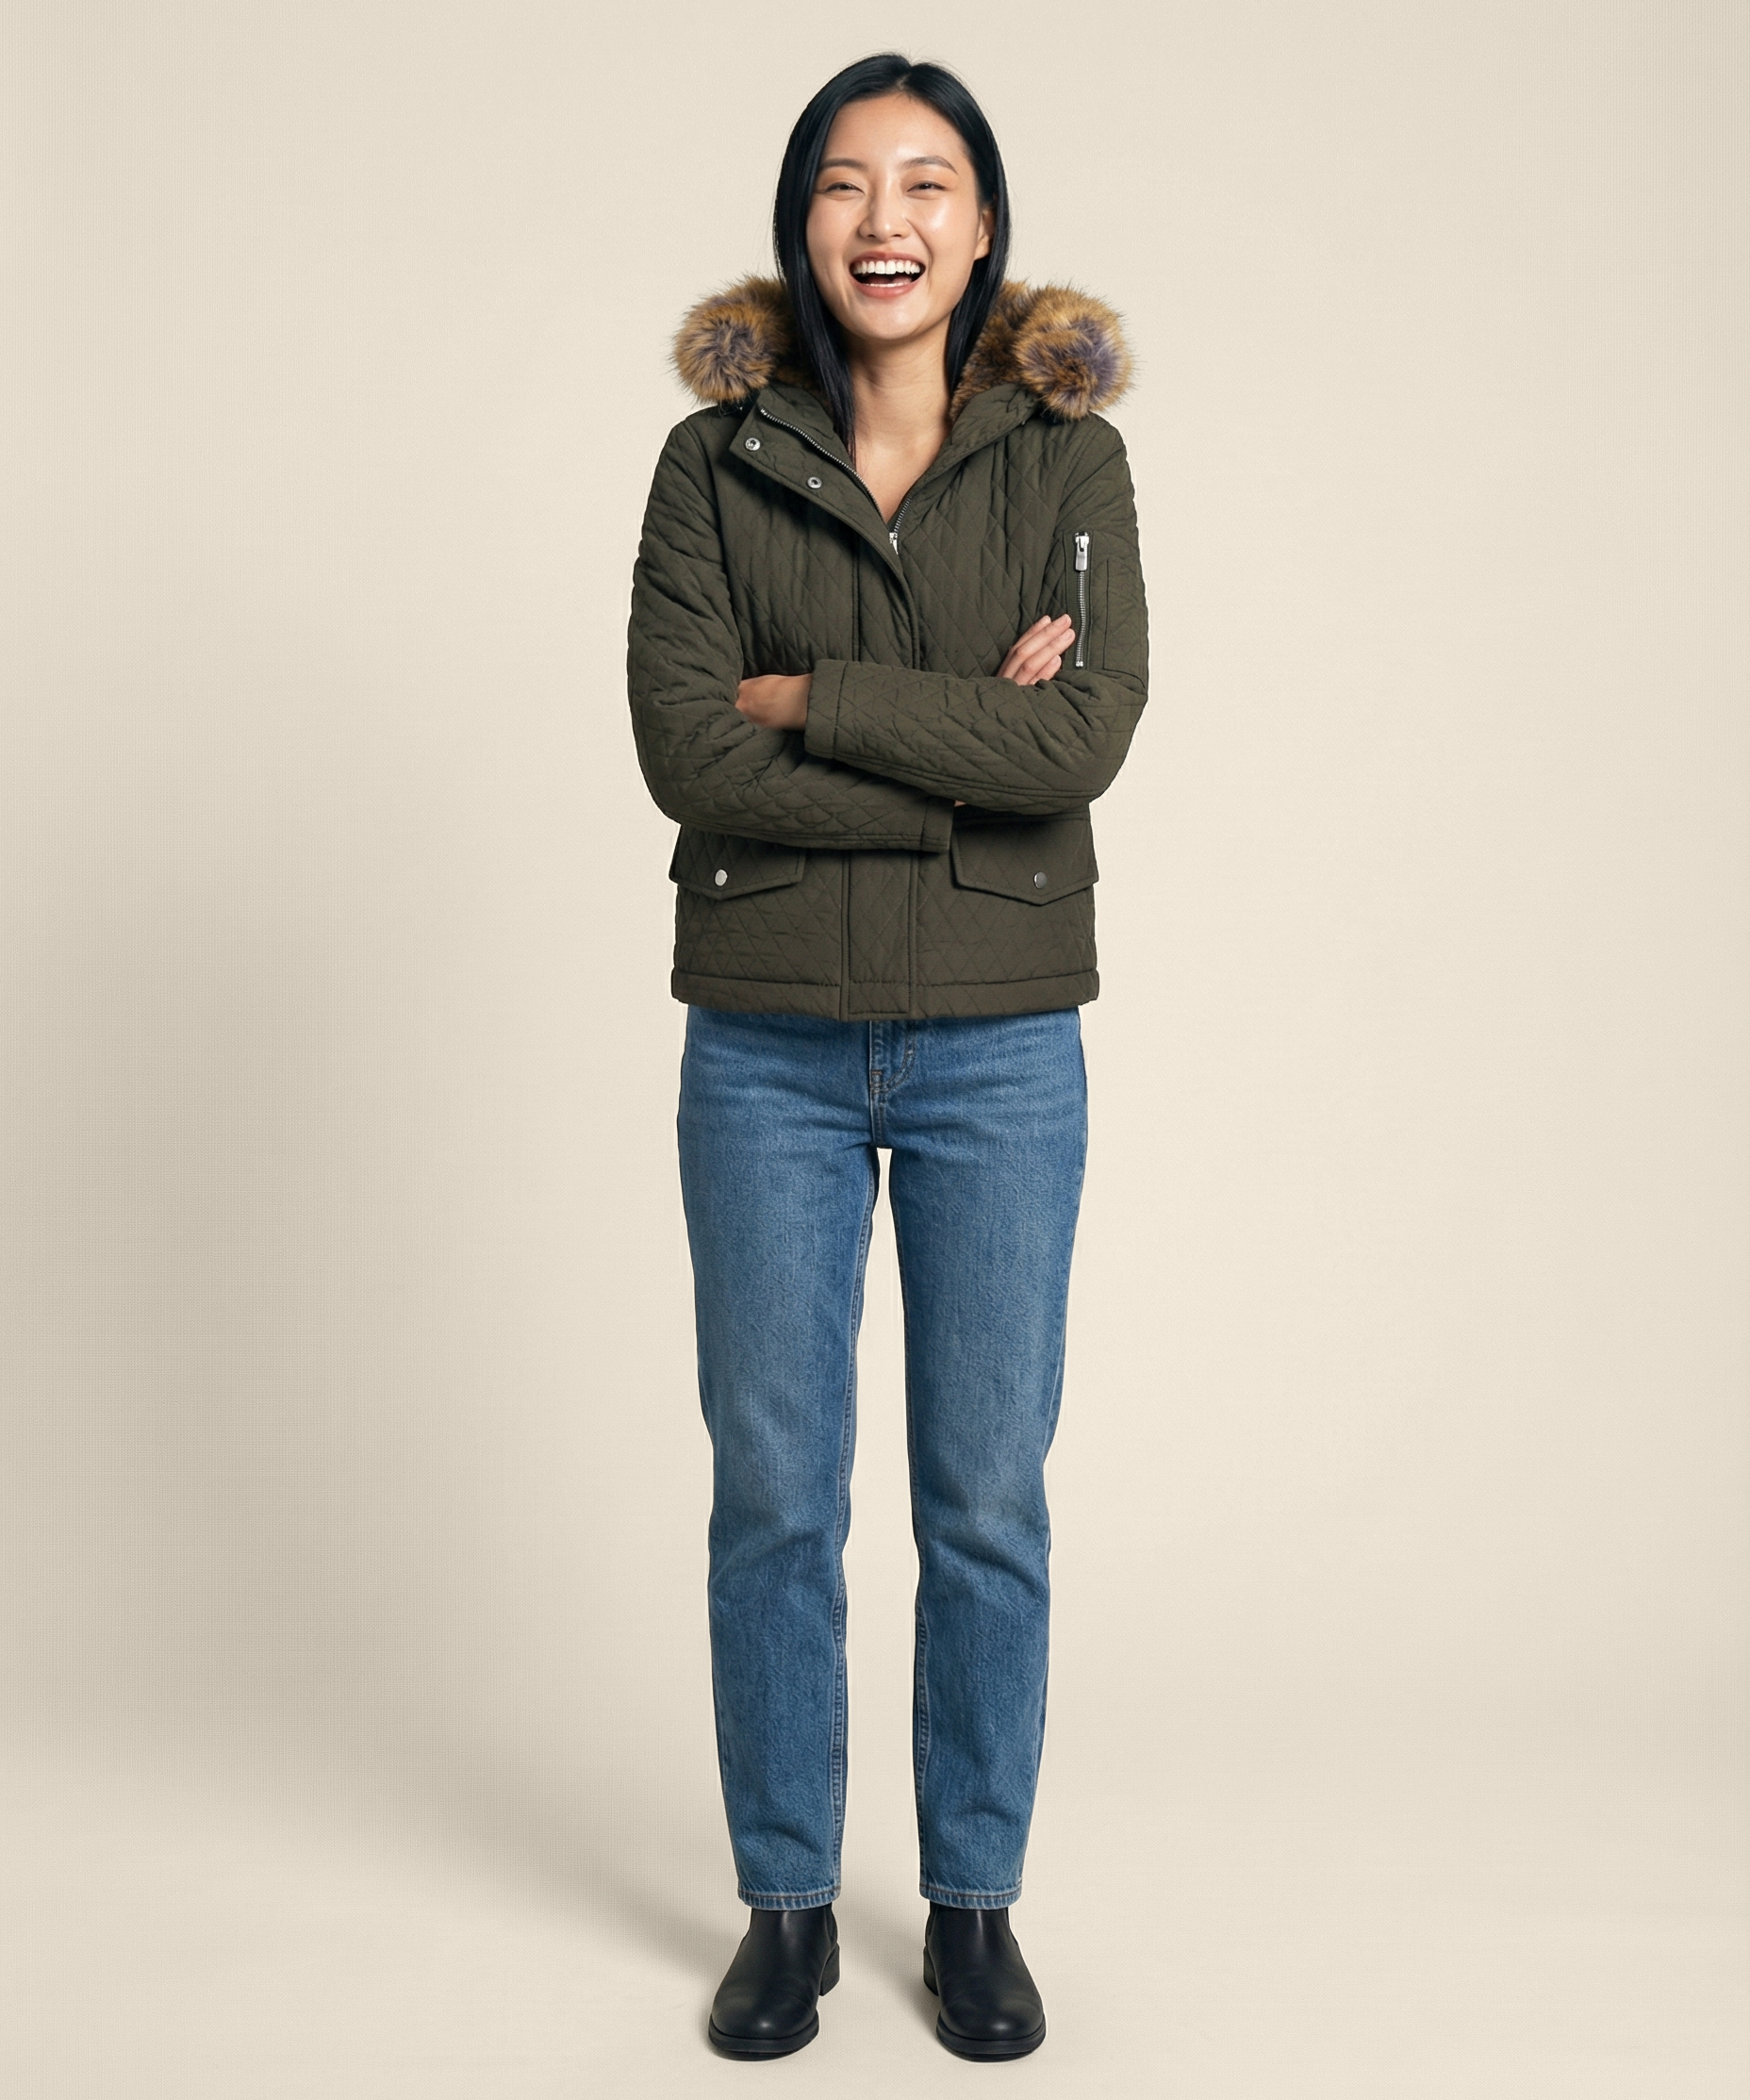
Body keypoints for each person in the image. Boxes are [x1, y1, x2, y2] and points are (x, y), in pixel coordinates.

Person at [626, 52, 1147, 2061]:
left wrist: (813, 700)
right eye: (848, 183)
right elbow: (687, 753)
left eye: (927, 183)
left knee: (984, 1497)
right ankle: (783, 1906)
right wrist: (959, 747)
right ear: (803, 219)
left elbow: (1082, 742)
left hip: (1000, 1046)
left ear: (982, 222)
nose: (886, 220)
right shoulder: (713, 461)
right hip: (764, 1041)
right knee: (774, 1494)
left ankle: (974, 1902)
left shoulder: (1069, 463)